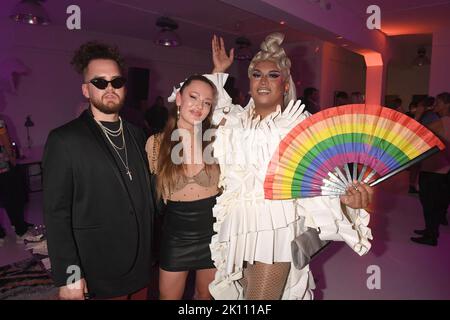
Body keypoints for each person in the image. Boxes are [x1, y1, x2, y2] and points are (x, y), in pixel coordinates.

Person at [192, 33, 373, 300]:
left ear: (286, 85)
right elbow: (215, 108)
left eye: (273, 75)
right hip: (238, 225)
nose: (263, 81)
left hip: (278, 229)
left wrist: (349, 200)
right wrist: (218, 72)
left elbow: (326, 177)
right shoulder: (235, 120)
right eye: (256, 74)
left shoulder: (300, 125)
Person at [43, 41, 155, 300]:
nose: (110, 89)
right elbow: (56, 214)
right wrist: (69, 275)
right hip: (99, 265)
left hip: (140, 263)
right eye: (100, 82)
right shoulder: (64, 139)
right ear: (85, 89)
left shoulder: (137, 134)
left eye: (116, 82)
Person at [146, 75, 220, 300]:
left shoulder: (217, 140)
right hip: (176, 237)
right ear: (178, 99)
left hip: (213, 235)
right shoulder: (156, 143)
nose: (199, 106)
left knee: (205, 298)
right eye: (193, 97)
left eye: (207, 102)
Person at [411, 92, 450, 246]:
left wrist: (419, 114)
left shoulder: (442, 122)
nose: (435, 106)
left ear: (447, 105)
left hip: (434, 170)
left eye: (438, 103)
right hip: (442, 170)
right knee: (435, 203)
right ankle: (430, 231)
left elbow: (416, 133)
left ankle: (431, 235)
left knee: (429, 204)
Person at [0, 118, 39, 246]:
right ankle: (21, 231)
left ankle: (4, 233)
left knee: (7, 197)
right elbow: (4, 138)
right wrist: (12, 157)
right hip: (3, 167)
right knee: (15, 198)